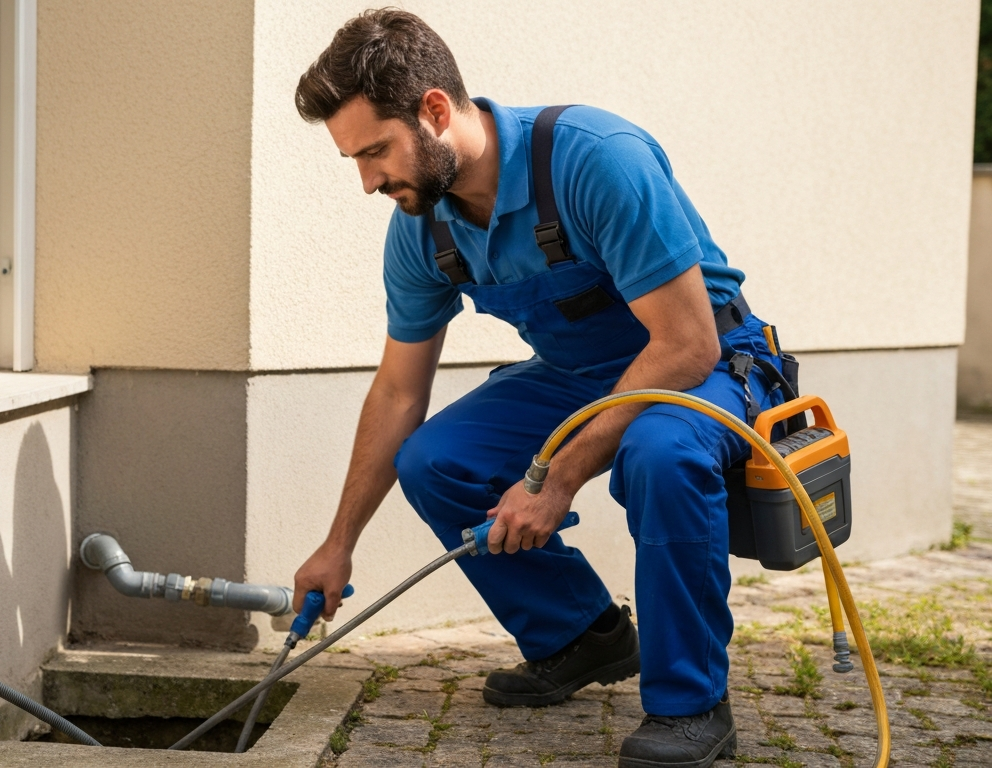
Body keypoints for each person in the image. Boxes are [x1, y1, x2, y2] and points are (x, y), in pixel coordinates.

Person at [289, 10, 790, 768]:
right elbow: (397, 395)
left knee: (660, 451)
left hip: (713, 360)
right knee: (435, 458)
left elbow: (686, 344)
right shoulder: (424, 230)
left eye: (375, 152)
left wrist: (556, 480)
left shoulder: (593, 160)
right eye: (353, 161)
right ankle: (581, 635)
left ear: (433, 110)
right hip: (575, 377)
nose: (367, 182)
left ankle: (692, 704)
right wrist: (337, 545)